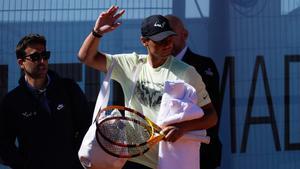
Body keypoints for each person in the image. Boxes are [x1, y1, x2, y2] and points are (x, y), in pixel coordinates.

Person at [77, 5, 218, 169]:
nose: (168, 44)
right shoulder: (131, 64)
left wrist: (181, 128)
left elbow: (211, 116)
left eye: (170, 38)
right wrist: (97, 32)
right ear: (144, 41)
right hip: (131, 160)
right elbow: (86, 57)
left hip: (168, 162)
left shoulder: (186, 72)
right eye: (160, 40)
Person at [0, 33, 91, 169]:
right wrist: (24, 165)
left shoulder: (68, 89)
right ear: (21, 63)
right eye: (35, 57)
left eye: (45, 55)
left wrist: (75, 159)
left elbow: (87, 126)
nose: (42, 61)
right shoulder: (12, 101)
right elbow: (4, 144)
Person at [165, 15, 222, 169]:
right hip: (162, 154)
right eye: (161, 34)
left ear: (184, 35)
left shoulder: (204, 66)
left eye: (170, 33)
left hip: (200, 154)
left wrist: (181, 129)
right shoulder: (150, 67)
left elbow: (210, 116)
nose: (165, 39)